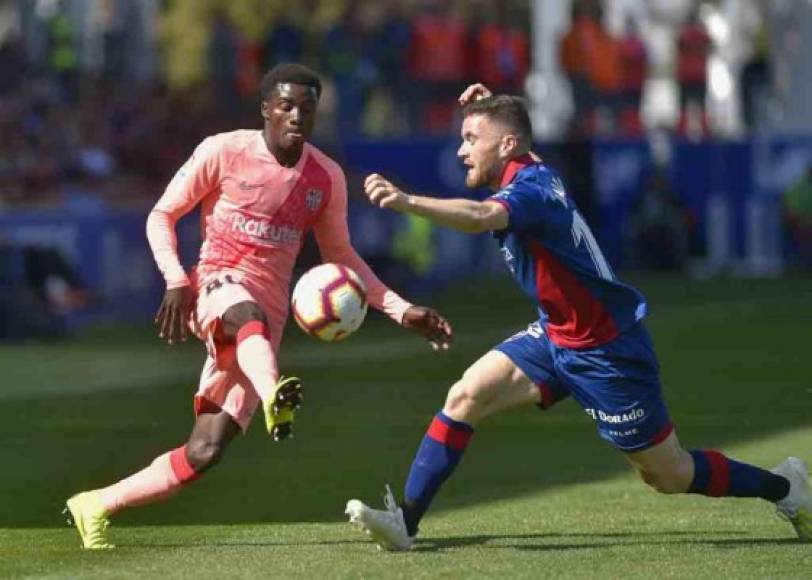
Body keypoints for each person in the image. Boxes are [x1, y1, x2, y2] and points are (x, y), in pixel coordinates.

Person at [345, 83, 811, 550]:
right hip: (556, 334)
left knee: (668, 474)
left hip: (607, 349)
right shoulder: (531, 170)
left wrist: (408, 202)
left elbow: (479, 215)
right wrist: (499, 105)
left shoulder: (528, 193)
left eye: (471, 139)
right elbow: (513, 139)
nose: (462, 151)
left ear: (506, 145)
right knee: (466, 394)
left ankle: (786, 488)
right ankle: (405, 523)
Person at [63, 63, 453, 550]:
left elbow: (342, 256)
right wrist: (175, 279)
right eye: (286, 105)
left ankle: (95, 503)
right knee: (247, 314)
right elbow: (162, 214)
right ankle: (275, 397)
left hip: (266, 323)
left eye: (306, 109)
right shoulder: (223, 150)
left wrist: (398, 308)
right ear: (265, 108)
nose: (296, 116)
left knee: (204, 450)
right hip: (217, 285)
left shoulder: (325, 177)